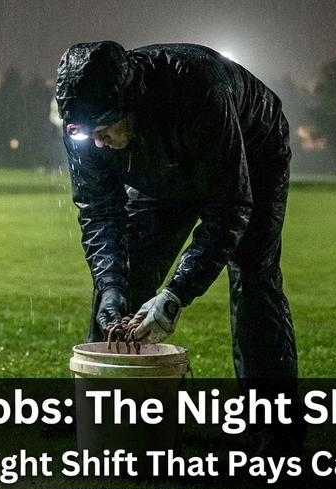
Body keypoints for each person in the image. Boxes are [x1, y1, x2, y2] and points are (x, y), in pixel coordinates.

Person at [56, 41, 304, 456]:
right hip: (162, 169)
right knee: (125, 279)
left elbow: (230, 207)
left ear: (131, 103)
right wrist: (112, 285)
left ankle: (277, 438)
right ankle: (101, 414)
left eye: (105, 131)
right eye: (88, 135)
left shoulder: (198, 88)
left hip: (251, 155)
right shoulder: (86, 123)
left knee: (254, 279)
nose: (97, 144)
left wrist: (174, 296)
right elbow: (99, 210)